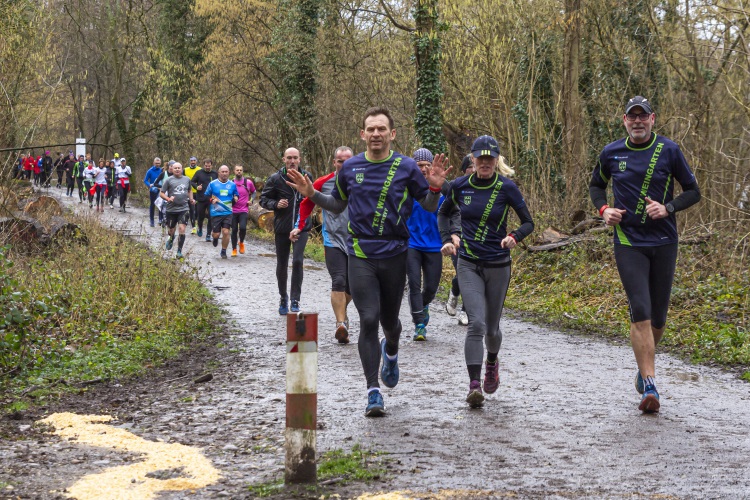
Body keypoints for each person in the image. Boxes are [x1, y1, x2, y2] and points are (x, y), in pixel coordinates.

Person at [287, 106, 449, 417]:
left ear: (392, 134)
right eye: (371, 129)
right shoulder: (350, 168)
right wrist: (312, 193)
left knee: (390, 323)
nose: (376, 134)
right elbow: (337, 204)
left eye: (381, 129)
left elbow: (429, 206)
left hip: (395, 253)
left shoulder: (406, 167)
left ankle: (392, 350)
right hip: (360, 253)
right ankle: (373, 391)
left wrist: (435, 187)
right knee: (369, 319)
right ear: (362, 134)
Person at [589, 96, 701, 413]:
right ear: (624, 121)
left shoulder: (669, 150)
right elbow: (596, 186)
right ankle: (650, 385)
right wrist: (604, 209)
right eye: (632, 116)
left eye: (643, 116)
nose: (637, 121)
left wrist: (668, 207)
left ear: (652, 119)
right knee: (640, 308)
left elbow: (694, 191)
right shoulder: (611, 152)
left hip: (664, 241)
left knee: (659, 317)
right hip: (629, 241)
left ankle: (643, 366)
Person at [438, 135, 534, 408]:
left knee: (491, 329)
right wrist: (447, 239)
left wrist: (514, 236)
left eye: (490, 158)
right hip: (468, 263)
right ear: (473, 159)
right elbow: (443, 213)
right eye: (480, 158)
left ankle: (491, 362)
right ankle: (473, 385)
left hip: (498, 265)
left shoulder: (507, 188)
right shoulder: (459, 186)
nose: (485, 163)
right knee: (476, 324)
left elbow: (528, 222)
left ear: (496, 160)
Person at [293, 146, 354, 343]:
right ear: (334, 162)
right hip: (333, 239)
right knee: (339, 280)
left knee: (353, 287)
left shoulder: (363, 182)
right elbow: (306, 202)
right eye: (340, 161)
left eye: (348, 161)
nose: (344, 164)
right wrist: (299, 227)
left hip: (357, 241)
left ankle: (342, 312)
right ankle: (341, 324)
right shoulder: (324, 182)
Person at [406, 148, 454, 341]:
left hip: (435, 244)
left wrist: (452, 235)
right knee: (414, 284)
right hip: (411, 243)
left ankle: (423, 305)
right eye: (420, 165)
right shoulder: (407, 185)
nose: (424, 169)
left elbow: (454, 212)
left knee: (431, 288)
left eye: (427, 165)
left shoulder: (444, 187)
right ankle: (419, 325)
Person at [260, 147, 314, 315]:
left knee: (297, 261)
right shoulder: (275, 179)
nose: (292, 161)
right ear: (284, 159)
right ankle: (283, 297)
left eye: (295, 158)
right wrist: (276, 204)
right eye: (289, 158)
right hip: (282, 228)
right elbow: (263, 199)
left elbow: (313, 197)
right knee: (282, 263)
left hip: (301, 228)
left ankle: (295, 299)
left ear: (299, 159)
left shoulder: (307, 177)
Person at [446, 154, 475, 326]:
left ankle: (465, 311)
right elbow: (445, 212)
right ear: (464, 170)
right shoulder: (456, 186)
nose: (473, 169)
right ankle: (454, 291)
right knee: (462, 273)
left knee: (472, 275)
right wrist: (450, 234)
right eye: (470, 166)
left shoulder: (487, 188)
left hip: (476, 239)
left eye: (475, 165)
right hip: (456, 237)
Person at [160, 162, 195, 259]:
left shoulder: (187, 179)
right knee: (171, 230)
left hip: (184, 208)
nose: (177, 169)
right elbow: (161, 193)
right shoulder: (168, 180)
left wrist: (191, 199)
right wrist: (168, 199)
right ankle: (171, 237)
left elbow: (189, 190)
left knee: (182, 229)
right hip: (171, 209)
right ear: (172, 169)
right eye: (175, 168)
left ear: (182, 169)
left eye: (179, 168)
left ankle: (179, 251)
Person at [205, 165, 238, 259]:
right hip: (216, 212)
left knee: (226, 232)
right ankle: (215, 238)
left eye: (226, 172)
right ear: (219, 173)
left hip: (228, 212)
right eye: (222, 172)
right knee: (216, 234)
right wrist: (212, 200)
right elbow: (206, 195)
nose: (224, 173)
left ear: (229, 173)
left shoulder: (232, 184)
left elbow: (236, 194)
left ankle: (223, 251)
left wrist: (236, 197)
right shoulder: (212, 184)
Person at [230, 165, 256, 257]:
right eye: (237, 170)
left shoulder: (248, 182)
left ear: (243, 171)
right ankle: (234, 249)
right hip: (233, 210)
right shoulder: (231, 183)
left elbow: (254, 192)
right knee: (234, 230)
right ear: (234, 171)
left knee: (243, 228)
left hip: (243, 210)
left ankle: (241, 242)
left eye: (240, 170)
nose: (239, 171)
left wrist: (251, 200)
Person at [191, 158, 218, 241]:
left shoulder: (215, 174)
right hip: (201, 198)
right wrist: (197, 187)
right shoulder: (199, 173)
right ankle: (200, 228)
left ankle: (208, 234)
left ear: (211, 165)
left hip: (211, 199)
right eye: (206, 165)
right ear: (204, 165)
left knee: (211, 216)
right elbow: (192, 182)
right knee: (200, 216)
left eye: (209, 166)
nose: (207, 167)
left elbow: (219, 183)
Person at [144, 157, 164, 226]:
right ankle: (152, 221)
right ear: (153, 163)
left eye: (158, 163)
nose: (157, 164)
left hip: (160, 189)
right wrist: (149, 185)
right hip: (153, 190)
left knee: (161, 204)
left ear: (160, 163)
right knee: (152, 205)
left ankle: (161, 219)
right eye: (156, 163)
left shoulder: (162, 170)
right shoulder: (150, 171)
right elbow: (145, 180)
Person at [184, 156, 201, 234]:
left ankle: (197, 225)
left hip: (198, 193)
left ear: (196, 161)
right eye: (191, 161)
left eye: (194, 160)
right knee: (191, 210)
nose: (193, 162)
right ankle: (193, 227)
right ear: (190, 161)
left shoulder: (200, 169)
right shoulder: (185, 170)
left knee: (197, 210)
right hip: (188, 193)